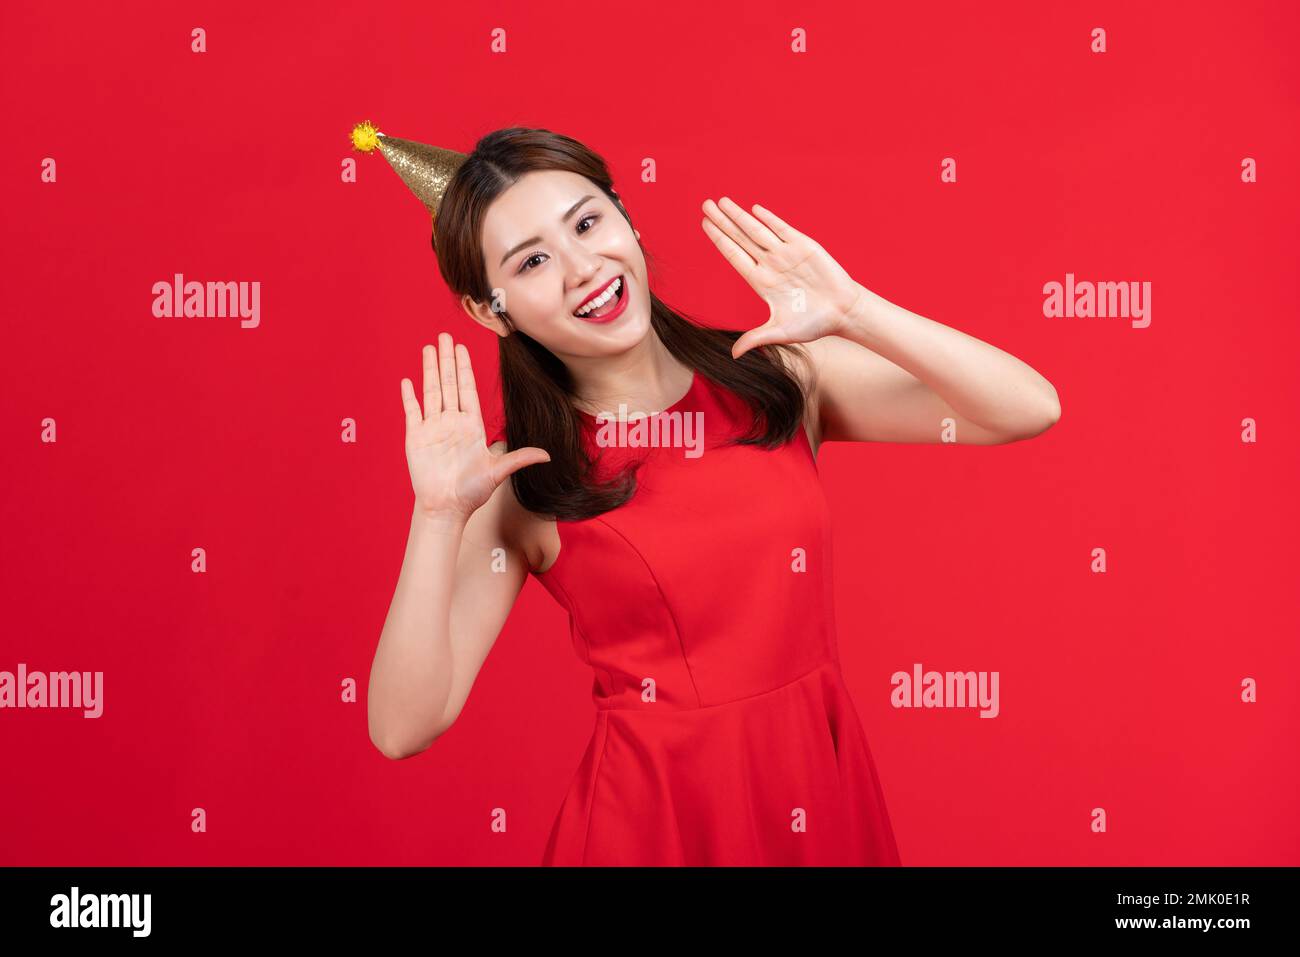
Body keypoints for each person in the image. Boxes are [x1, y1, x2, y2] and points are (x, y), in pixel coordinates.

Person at [355, 123, 1061, 866]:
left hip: (817, 788)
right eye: (531, 261)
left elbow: (1027, 408)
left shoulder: (777, 376)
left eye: (588, 222)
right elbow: (403, 726)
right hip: (656, 823)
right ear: (487, 311)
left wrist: (856, 310)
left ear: (625, 215)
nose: (581, 268)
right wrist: (436, 516)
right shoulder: (523, 480)